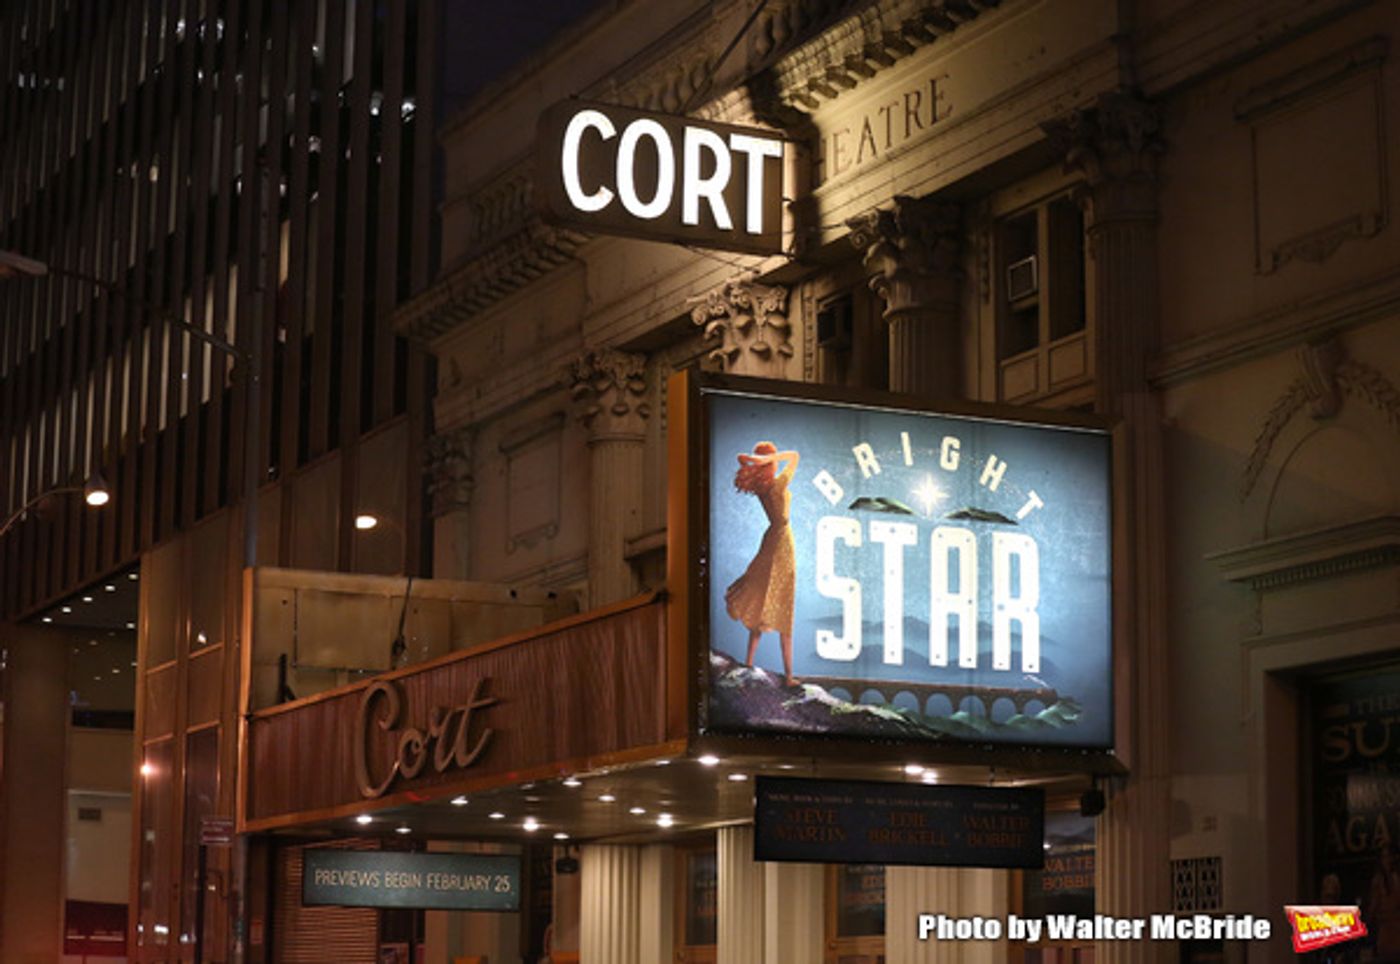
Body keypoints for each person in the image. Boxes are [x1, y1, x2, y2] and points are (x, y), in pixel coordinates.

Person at [725, 441, 800, 686]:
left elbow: (739, 456)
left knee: (762, 599)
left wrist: (757, 460)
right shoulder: (777, 485)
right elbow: (795, 455)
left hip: (770, 541)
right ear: (771, 461)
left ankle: (748, 663)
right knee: (784, 606)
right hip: (782, 545)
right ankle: (788, 676)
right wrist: (769, 458)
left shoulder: (762, 487)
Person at [1368, 842, 1400, 963]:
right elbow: (1374, 907)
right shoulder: (1378, 882)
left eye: (1389, 856)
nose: (1387, 860)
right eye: (1384, 857)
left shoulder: (1397, 878)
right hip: (1386, 933)